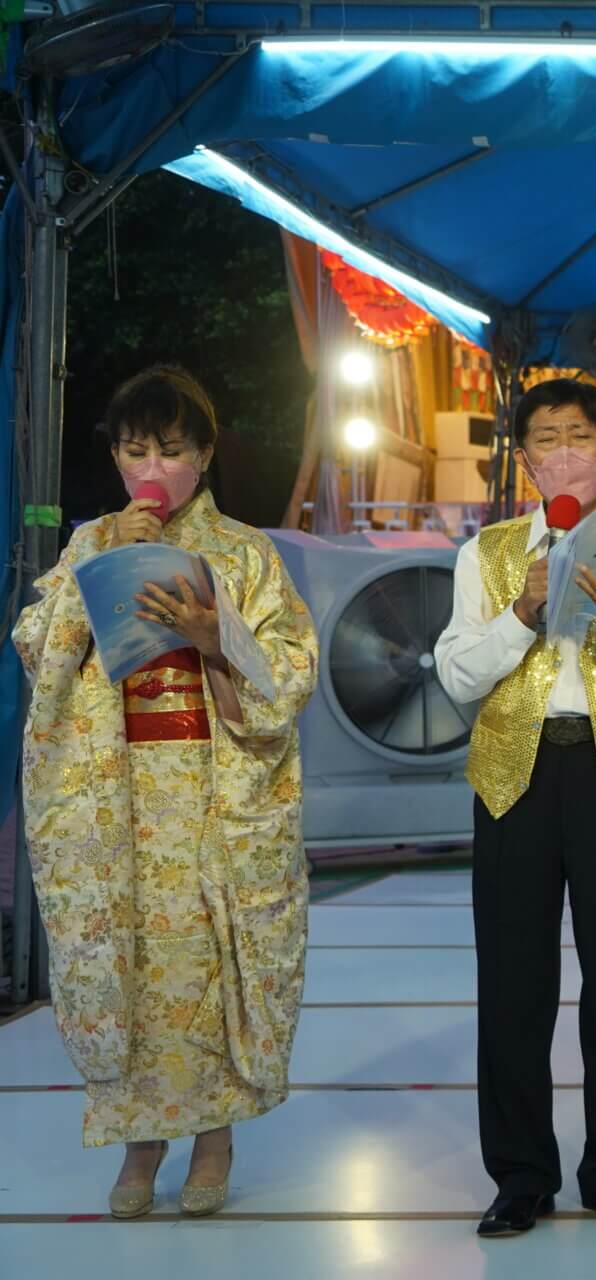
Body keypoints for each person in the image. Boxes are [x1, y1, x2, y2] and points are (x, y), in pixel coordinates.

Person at [14, 366, 318, 1218]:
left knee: (210, 959)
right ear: (114, 455)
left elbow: (292, 664)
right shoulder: (89, 541)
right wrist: (93, 571)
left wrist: (215, 639)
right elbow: (37, 650)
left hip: (213, 786)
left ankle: (215, 1138)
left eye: (173, 451)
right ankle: (140, 1144)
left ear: (206, 455)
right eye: (135, 450)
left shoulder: (247, 552)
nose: (153, 468)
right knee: (129, 962)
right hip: (116, 794)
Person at [433, 378, 596, 1238]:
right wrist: (522, 610)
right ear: (523, 459)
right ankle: (521, 1176)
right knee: (514, 981)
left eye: (581, 437)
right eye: (545, 440)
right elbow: (457, 675)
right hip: (515, 774)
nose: (564, 454)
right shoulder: (487, 553)